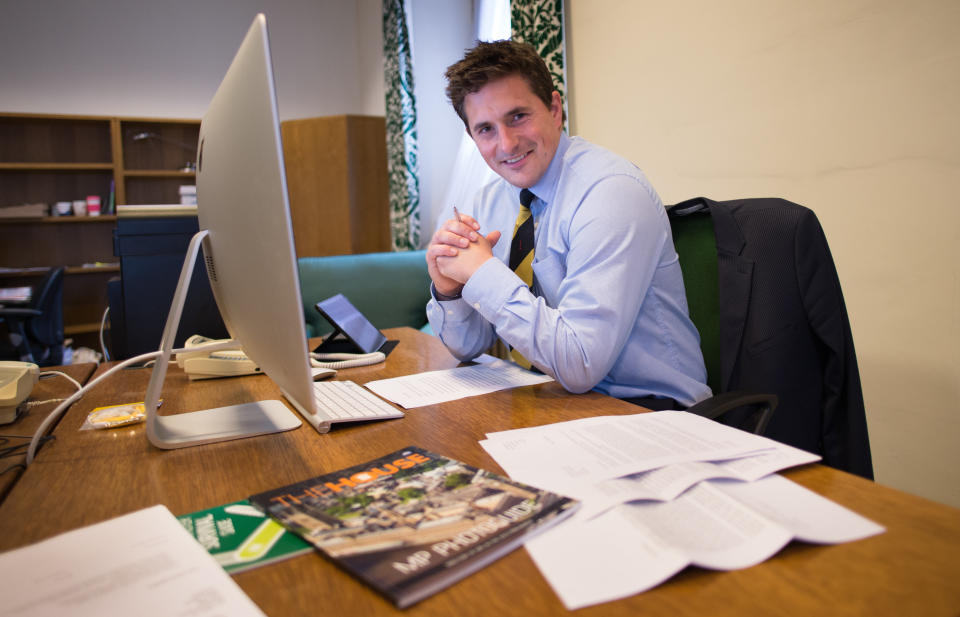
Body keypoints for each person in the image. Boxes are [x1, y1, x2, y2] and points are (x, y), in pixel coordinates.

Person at [425, 40, 710, 409]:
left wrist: (481, 273)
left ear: (555, 109)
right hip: (549, 399)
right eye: (486, 129)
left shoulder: (610, 192)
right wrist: (450, 291)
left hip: (646, 408)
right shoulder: (487, 201)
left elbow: (579, 364)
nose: (506, 144)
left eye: (517, 117)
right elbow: (468, 346)